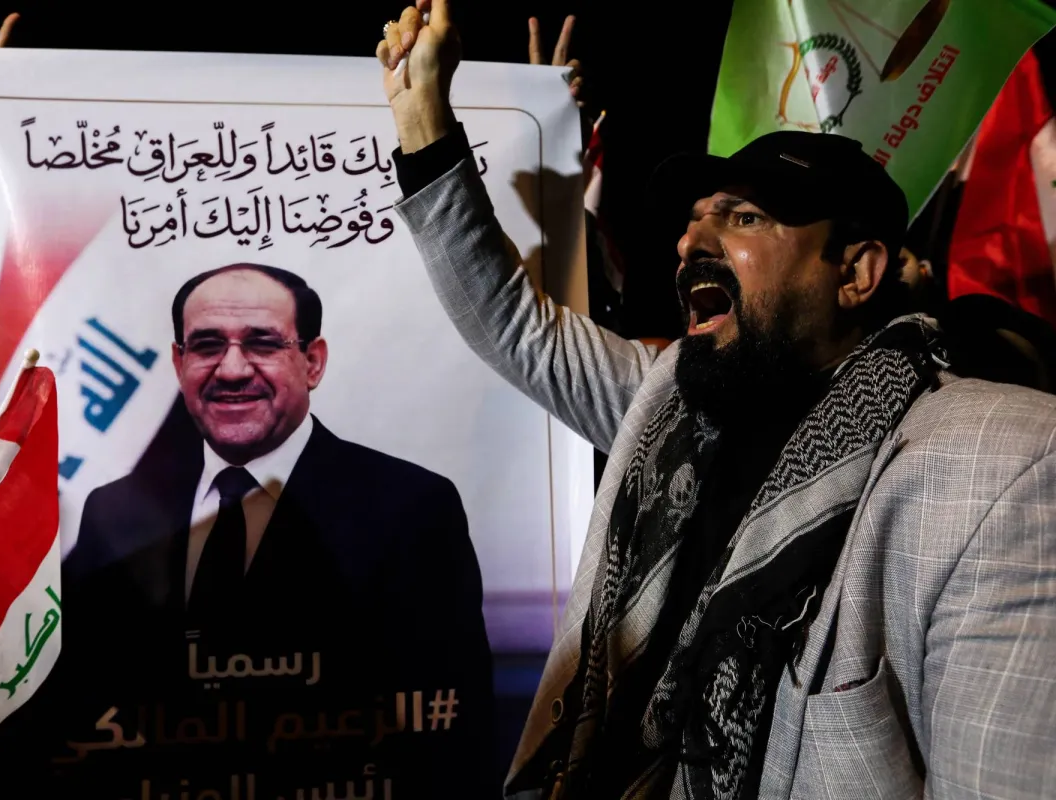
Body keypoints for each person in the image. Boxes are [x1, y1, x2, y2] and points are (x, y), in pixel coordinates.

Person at [375, 2, 1056, 798]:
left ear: (855, 272)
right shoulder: (669, 404)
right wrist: (423, 122)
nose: (690, 241)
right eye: (694, 220)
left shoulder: (1001, 466)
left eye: (744, 218)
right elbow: (517, 328)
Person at [45, 262, 496, 798]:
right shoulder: (113, 510)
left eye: (262, 344)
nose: (232, 370)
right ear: (179, 363)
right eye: (207, 345)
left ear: (313, 362)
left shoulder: (411, 507)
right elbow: (86, 708)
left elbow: (450, 731)